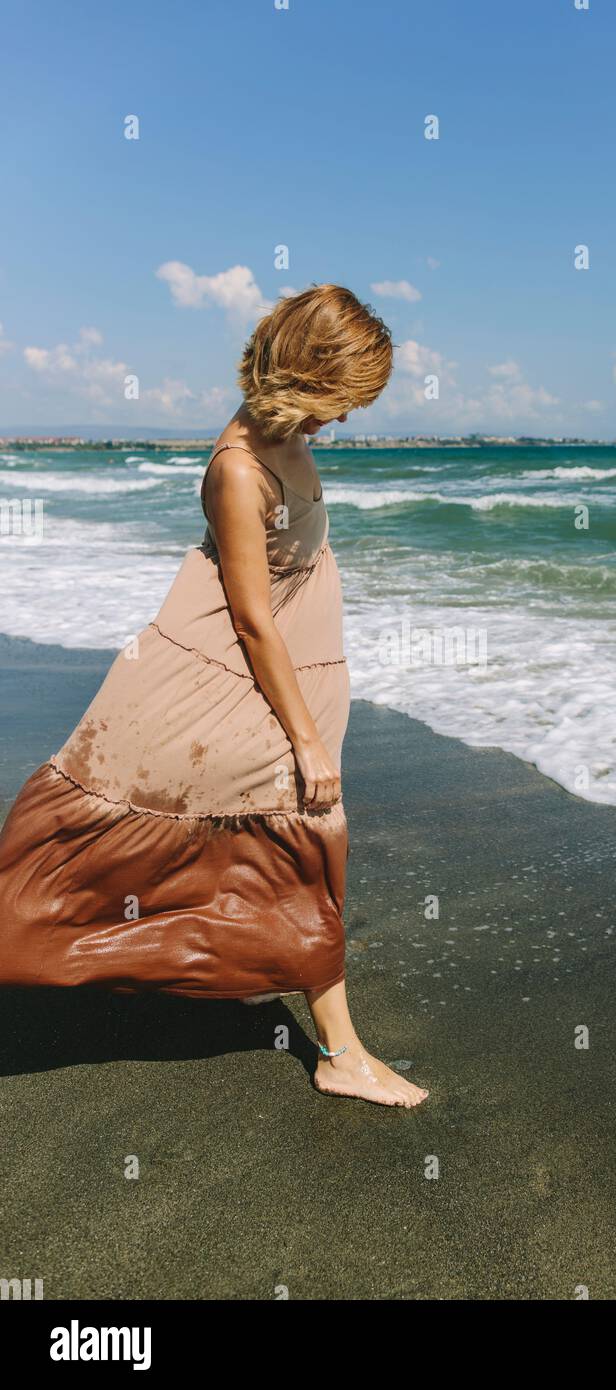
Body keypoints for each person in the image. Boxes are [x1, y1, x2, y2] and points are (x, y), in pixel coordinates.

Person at [0, 284, 429, 1108]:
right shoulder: (238, 469)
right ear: (310, 374)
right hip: (250, 679)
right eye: (342, 399)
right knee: (302, 840)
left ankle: (220, 976)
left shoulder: (280, 428)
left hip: (295, 675)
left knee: (277, 848)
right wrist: (302, 738)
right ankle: (340, 1053)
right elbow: (250, 617)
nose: (341, 421)